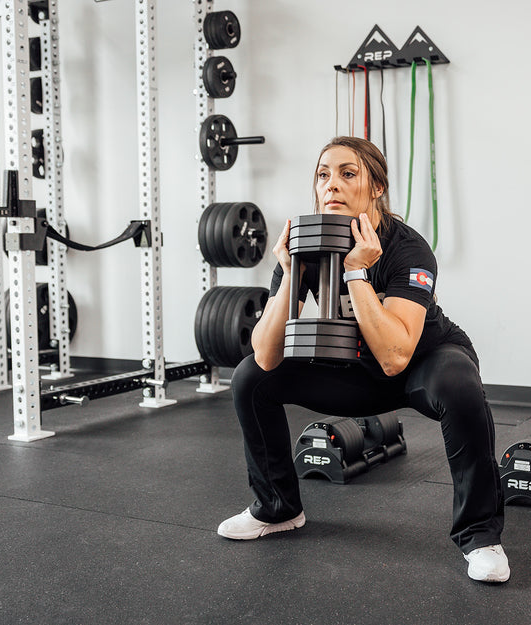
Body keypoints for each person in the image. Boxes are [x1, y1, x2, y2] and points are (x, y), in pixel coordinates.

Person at [217, 136, 509, 583]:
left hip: (420, 363)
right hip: (354, 366)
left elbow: (395, 357)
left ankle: (480, 536)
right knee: (250, 378)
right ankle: (277, 508)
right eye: (322, 175)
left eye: (347, 173)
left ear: (376, 188)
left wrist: (356, 270)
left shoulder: (407, 248)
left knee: (459, 383)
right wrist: (293, 269)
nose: (331, 184)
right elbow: (265, 353)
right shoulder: (308, 244)